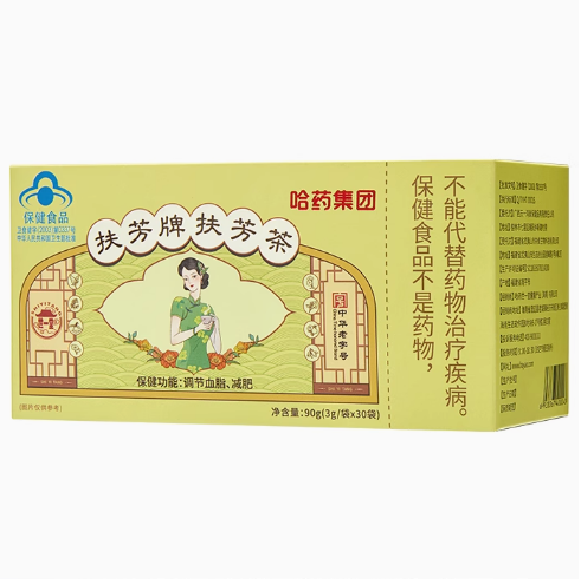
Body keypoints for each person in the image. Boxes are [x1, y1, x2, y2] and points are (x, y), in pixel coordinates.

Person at [170, 257, 221, 372]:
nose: (190, 282)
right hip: (184, 365)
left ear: (201, 276)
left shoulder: (208, 309)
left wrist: (216, 327)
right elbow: (173, 339)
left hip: (205, 366)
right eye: (185, 278)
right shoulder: (179, 303)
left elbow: (217, 347)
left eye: (193, 276)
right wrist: (197, 329)